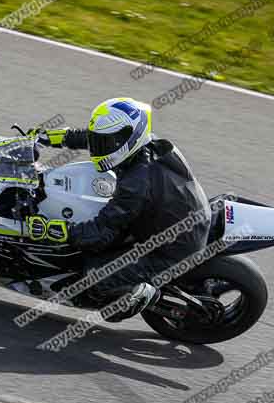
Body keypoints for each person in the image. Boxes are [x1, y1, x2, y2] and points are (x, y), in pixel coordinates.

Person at [29, 97, 210, 322]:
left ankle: (143, 294)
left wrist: (59, 230)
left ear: (129, 137)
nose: (99, 147)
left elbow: (100, 233)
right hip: (175, 217)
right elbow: (93, 138)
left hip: (172, 249)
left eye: (106, 142)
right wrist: (50, 137)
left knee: (94, 278)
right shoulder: (142, 145)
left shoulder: (136, 183)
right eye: (100, 140)